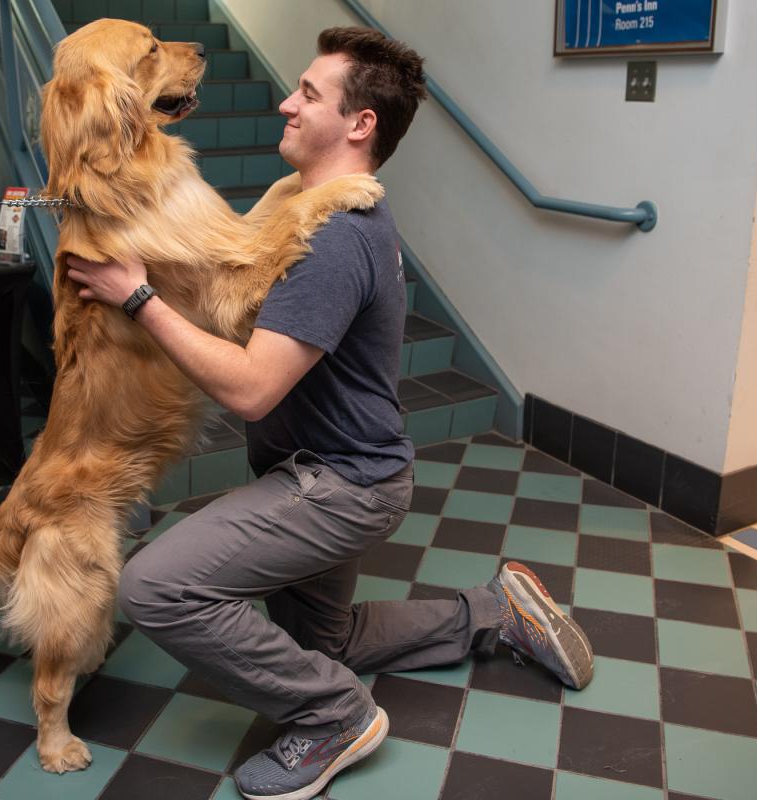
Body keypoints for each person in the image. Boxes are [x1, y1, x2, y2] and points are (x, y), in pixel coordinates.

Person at [67, 27, 593, 800]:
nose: (286, 100)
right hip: (330, 471)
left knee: (155, 588)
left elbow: (250, 388)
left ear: (359, 125)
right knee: (326, 639)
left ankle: (335, 715)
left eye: (308, 94)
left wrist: (138, 297)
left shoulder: (336, 237)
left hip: (339, 487)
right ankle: (495, 612)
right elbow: (232, 298)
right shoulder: (303, 208)